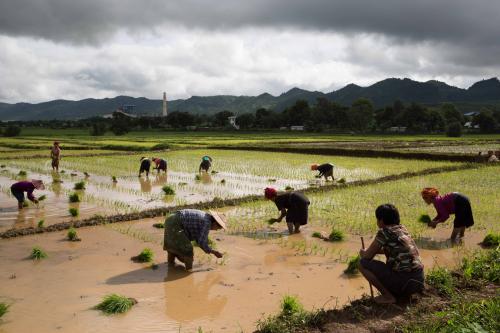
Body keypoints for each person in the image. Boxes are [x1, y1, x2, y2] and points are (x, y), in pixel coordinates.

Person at [360, 204, 424, 304]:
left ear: (381, 220)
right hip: (418, 281)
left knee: (362, 263)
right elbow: (393, 250)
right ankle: (398, 292)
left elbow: (367, 256)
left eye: (377, 219)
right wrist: (372, 251)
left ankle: (388, 296)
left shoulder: (384, 232)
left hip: (404, 282)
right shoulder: (402, 229)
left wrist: (364, 252)